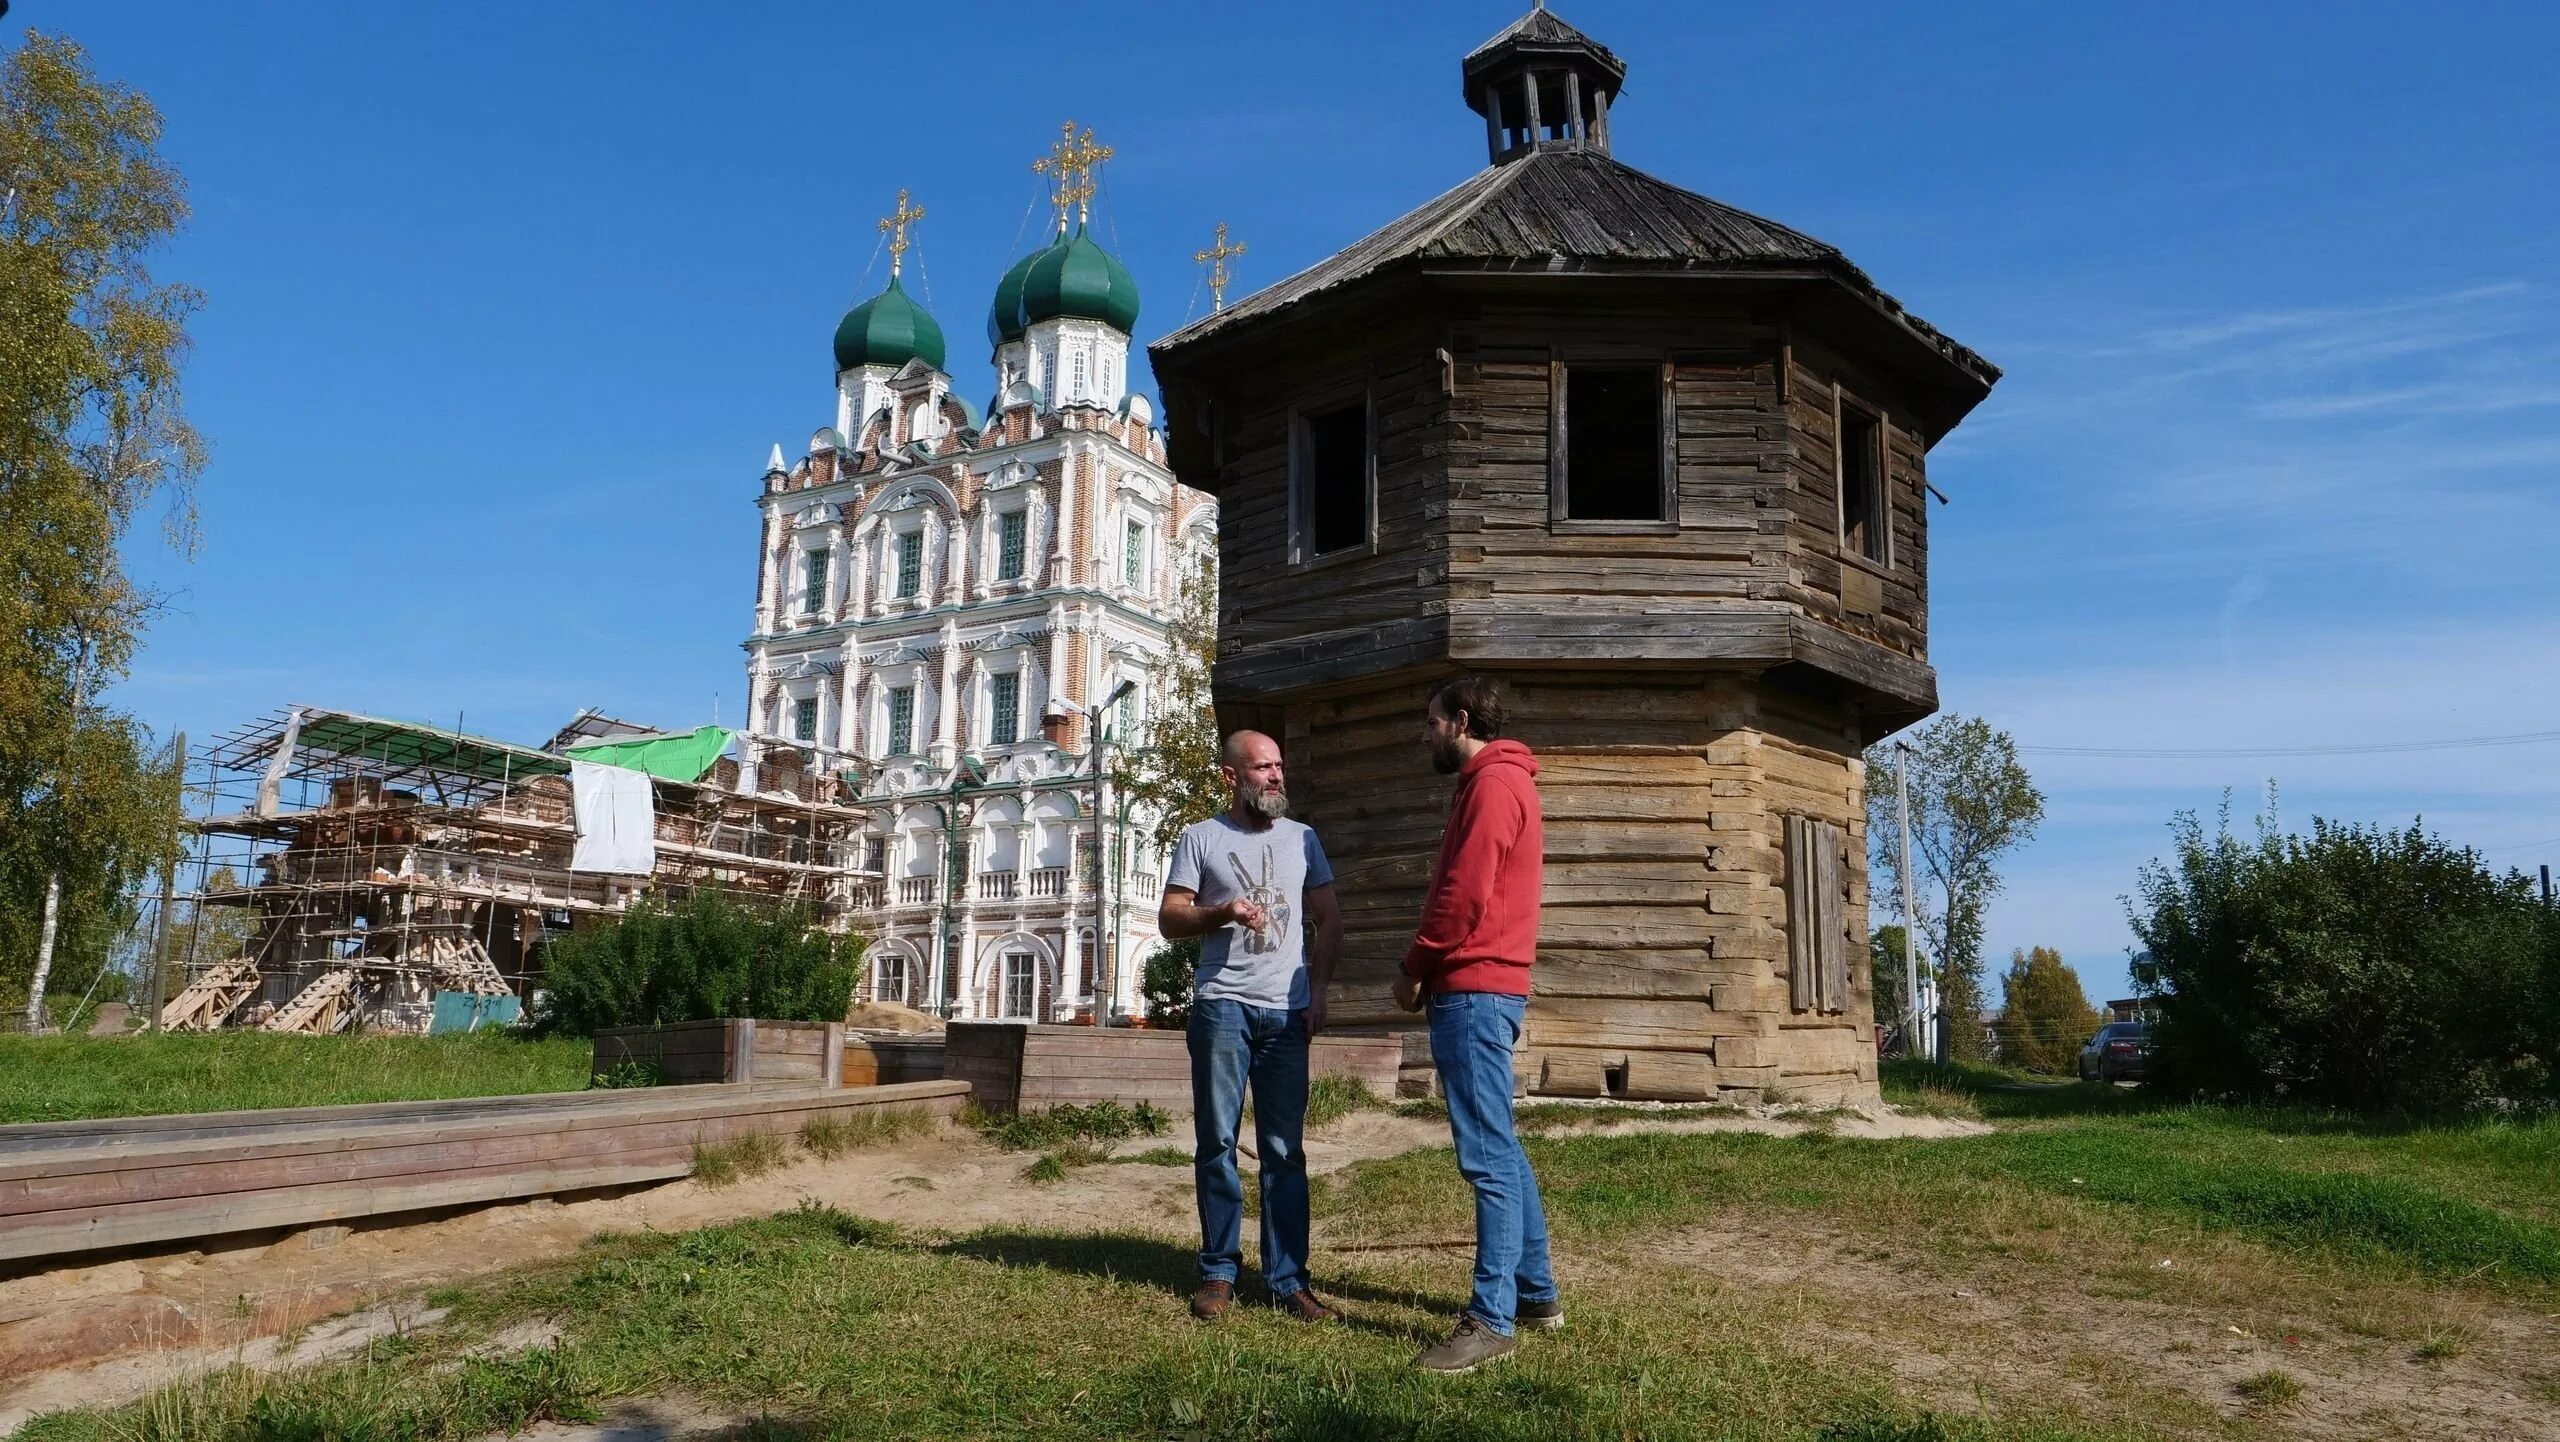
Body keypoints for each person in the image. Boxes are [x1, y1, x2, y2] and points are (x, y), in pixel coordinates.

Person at [1393, 675, 1559, 1374]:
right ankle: (1538, 1296)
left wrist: (1413, 966)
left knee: (1486, 1158)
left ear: (1461, 721)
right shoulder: (1494, 783)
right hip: (1486, 989)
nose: (1425, 734)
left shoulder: (1493, 786)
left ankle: (1490, 1318)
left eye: (1431, 722)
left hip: (1473, 989)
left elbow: (1462, 898)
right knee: (1502, 1147)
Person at [1158, 729, 1345, 1324]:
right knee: (1217, 1141)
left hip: (1287, 1011)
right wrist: (1222, 912)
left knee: (1284, 1149)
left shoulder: (1304, 839)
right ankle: (1218, 1271)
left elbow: (1330, 919)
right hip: (1223, 1004)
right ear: (1231, 777)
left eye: (1278, 767)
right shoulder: (1200, 838)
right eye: (1262, 767)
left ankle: (1289, 1279)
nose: (1275, 777)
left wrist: (1316, 991)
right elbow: (1170, 918)